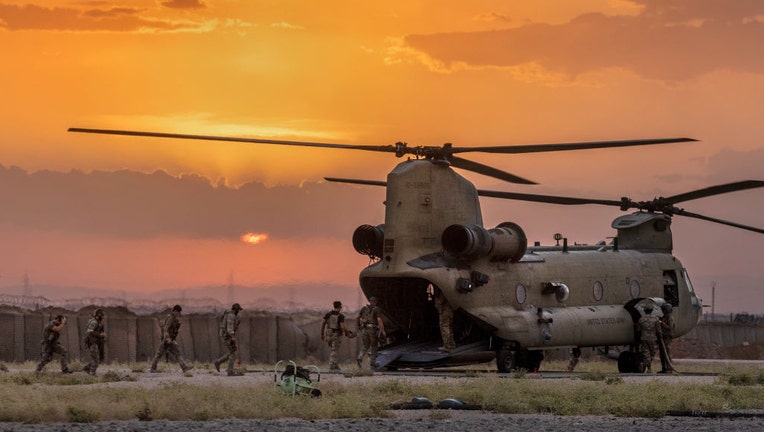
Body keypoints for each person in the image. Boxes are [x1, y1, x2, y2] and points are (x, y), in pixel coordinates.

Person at [150, 305, 193, 374]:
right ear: (175, 311)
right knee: (159, 354)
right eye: (178, 312)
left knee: (177, 352)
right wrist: (168, 338)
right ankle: (153, 368)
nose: (179, 314)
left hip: (170, 340)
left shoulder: (173, 318)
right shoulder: (170, 318)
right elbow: (165, 328)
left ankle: (184, 367)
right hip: (167, 340)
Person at [321, 300, 355, 371]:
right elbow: (342, 326)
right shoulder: (340, 316)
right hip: (336, 334)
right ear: (340, 307)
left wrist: (322, 334)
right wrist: (347, 332)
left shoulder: (328, 314)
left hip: (328, 334)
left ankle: (335, 365)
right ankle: (332, 366)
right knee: (334, 350)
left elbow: (323, 323)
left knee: (333, 349)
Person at [356, 296, 386, 370]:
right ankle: (373, 363)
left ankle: (360, 357)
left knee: (365, 346)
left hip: (364, 329)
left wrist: (359, 326)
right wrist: (382, 330)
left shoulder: (364, 309)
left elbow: (357, 317)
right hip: (372, 330)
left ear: (369, 301)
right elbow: (379, 320)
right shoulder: (376, 309)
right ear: (375, 302)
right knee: (374, 346)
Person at [214, 303, 243, 376]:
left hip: (226, 335)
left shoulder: (229, 315)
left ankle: (219, 362)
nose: (238, 312)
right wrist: (232, 337)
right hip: (227, 336)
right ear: (235, 309)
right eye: (238, 310)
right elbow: (230, 327)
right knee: (233, 353)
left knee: (232, 351)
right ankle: (229, 371)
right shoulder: (231, 316)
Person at [636, 304, 662, 373]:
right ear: (652, 311)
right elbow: (659, 331)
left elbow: (638, 330)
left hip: (644, 338)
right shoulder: (656, 319)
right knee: (652, 353)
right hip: (653, 339)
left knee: (646, 353)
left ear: (644, 311)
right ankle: (648, 368)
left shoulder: (641, 319)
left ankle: (645, 365)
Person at [432, 286, 456, 352]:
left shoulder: (444, 292)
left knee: (444, 327)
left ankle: (446, 345)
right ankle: (452, 343)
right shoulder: (452, 292)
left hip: (445, 311)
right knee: (449, 327)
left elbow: (440, 301)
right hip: (450, 311)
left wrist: (437, 305)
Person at [83, 308, 106, 375]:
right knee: (95, 358)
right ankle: (92, 373)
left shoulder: (98, 322)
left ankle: (87, 368)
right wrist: (100, 334)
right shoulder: (93, 322)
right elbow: (89, 332)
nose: (103, 316)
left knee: (101, 358)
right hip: (92, 342)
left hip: (97, 342)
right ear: (98, 315)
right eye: (102, 315)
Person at [659, 303, 676, 373]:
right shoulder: (664, 317)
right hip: (663, 337)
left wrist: (663, 324)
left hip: (667, 337)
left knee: (667, 352)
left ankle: (669, 368)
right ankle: (664, 368)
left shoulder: (670, 318)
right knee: (662, 353)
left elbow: (670, 328)